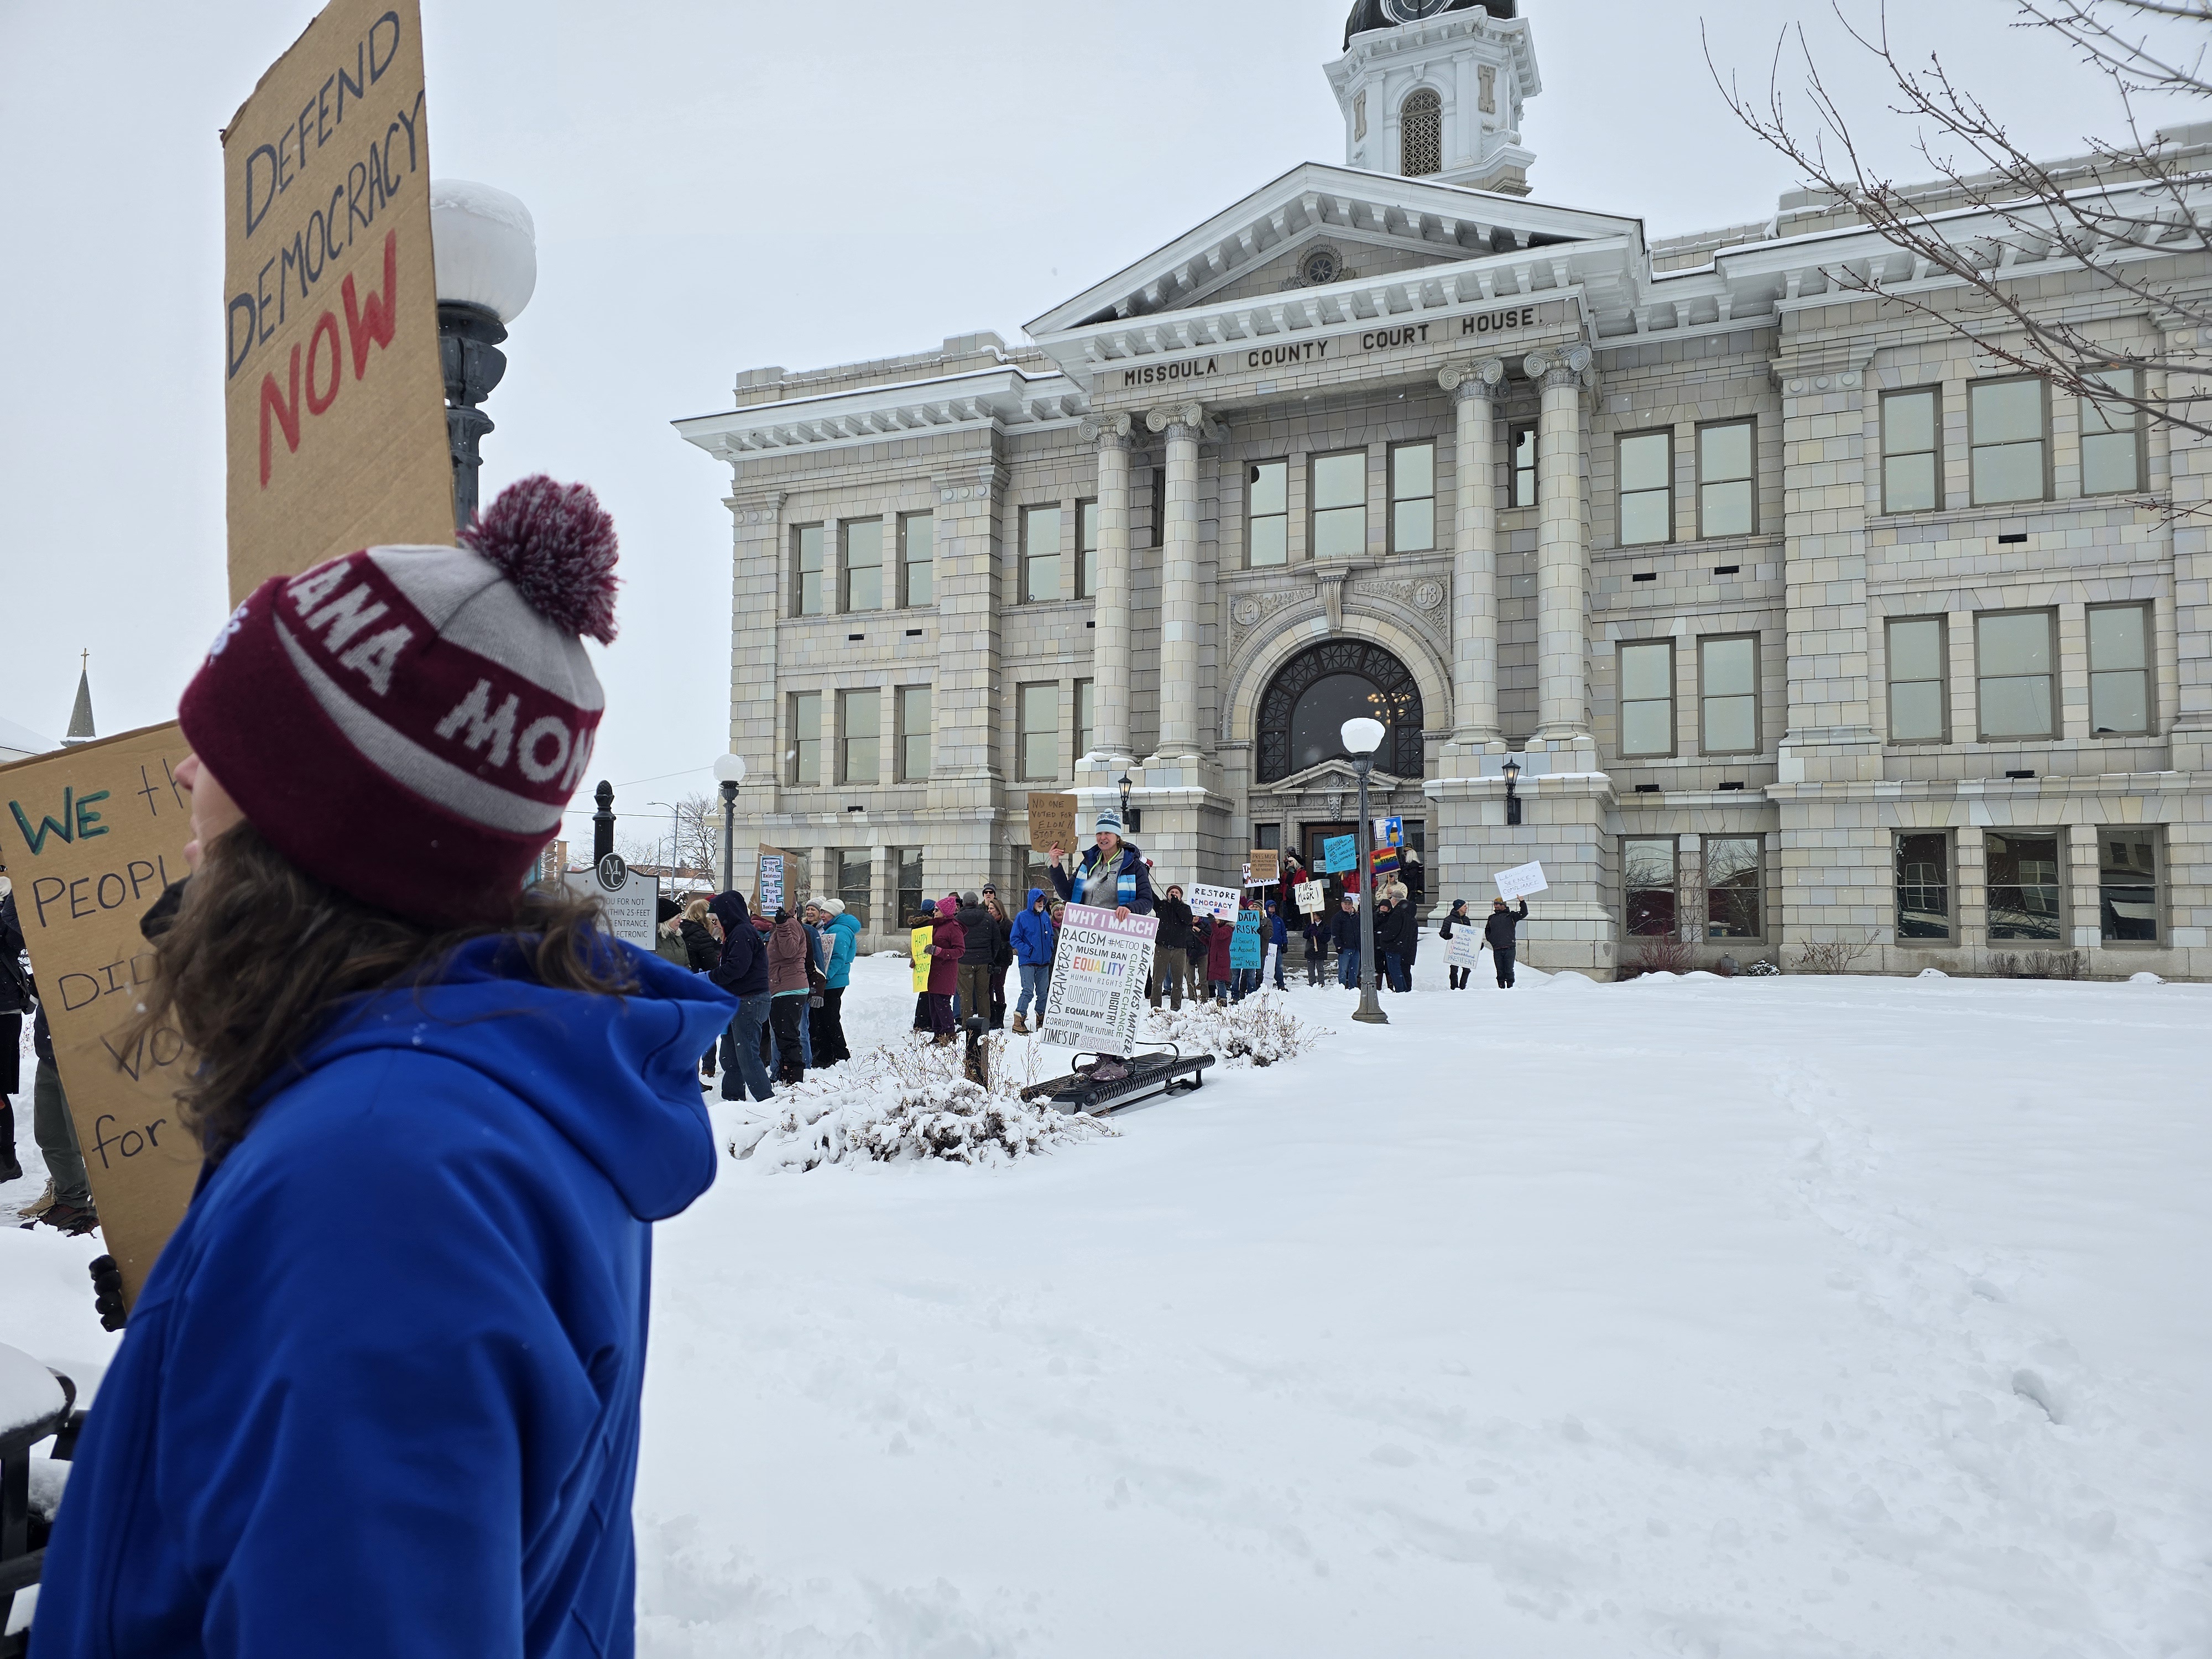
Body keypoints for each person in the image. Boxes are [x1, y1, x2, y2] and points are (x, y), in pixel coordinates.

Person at [34, 477, 735, 1659]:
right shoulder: (475, 1097)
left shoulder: (372, 1179)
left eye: (224, 750)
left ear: (318, 818)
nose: (179, 777)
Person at [709, 889, 775, 1102]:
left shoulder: (742, 933)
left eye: (716, 919)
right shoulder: (736, 933)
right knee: (730, 1055)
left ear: (727, 914)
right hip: (738, 1000)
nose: (715, 924)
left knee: (746, 1054)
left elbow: (736, 968)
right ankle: (732, 1098)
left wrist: (709, 977)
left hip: (749, 1001)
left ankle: (766, 1100)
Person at [1046, 811, 1156, 920]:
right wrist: (1056, 864)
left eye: (1108, 833)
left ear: (1118, 837)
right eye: (1099, 833)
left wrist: (1130, 908)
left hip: (1117, 928)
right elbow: (1067, 894)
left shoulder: (1133, 865)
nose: (1102, 837)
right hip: (1086, 927)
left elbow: (1147, 901)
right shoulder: (1089, 862)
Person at [810, 897, 860, 1066]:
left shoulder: (839, 930)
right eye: (822, 912)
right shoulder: (834, 928)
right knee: (823, 1019)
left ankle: (840, 1053)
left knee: (828, 1019)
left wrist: (824, 977)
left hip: (833, 982)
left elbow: (837, 958)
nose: (822, 915)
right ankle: (827, 1053)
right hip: (832, 981)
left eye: (825, 912)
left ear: (834, 913)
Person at [765, 907, 812, 1084]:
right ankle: (788, 1076)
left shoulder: (790, 924)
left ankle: (794, 1080)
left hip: (788, 988)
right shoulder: (783, 925)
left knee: (788, 1037)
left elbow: (789, 951)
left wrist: (783, 925)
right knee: (785, 1037)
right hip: (784, 987)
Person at [681, 896, 724, 1079]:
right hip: (699, 987)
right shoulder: (701, 935)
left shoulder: (681, 931)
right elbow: (712, 967)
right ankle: (705, 1069)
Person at [1008, 887, 1056, 1034]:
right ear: (1032, 901)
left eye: (1042, 900)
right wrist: (1028, 950)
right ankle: (1019, 1020)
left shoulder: (1045, 917)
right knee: (1028, 991)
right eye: (1038, 900)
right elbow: (1014, 939)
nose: (1041, 903)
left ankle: (1041, 1020)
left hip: (1043, 962)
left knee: (1043, 993)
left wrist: (1049, 949)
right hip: (1028, 961)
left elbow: (1050, 936)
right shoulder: (1022, 917)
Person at [954, 890, 998, 1032]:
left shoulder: (958, 919)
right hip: (983, 960)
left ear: (964, 903)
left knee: (966, 994)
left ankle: (967, 1024)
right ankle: (985, 1022)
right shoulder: (987, 918)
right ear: (977, 902)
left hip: (964, 961)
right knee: (983, 993)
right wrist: (991, 957)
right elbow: (996, 941)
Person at [924, 895, 966, 1042]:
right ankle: (938, 1034)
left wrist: (940, 952)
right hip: (933, 970)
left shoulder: (953, 927)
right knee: (933, 1005)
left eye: (937, 910)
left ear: (945, 912)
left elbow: (960, 950)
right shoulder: (936, 926)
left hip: (945, 971)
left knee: (942, 1003)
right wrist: (917, 959)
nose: (934, 912)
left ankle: (948, 1034)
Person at [1150, 883, 1195, 1011]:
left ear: (1181, 896)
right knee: (1157, 980)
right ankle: (1156, 1008)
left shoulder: (1185, 909)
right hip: (1162, 948)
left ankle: (1176, 1008)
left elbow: (1187, 919)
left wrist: (1176, 904)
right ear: (1167, 895)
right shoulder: (1161, 906)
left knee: (1178, 981)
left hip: (1179, 950)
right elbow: (1151, 894)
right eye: (1171, 893)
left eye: (1176, 893)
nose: (1174, 894)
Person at [983, 887, 1015, 1030]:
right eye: (989, 908)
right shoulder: (987, 923)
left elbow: (1012, 942)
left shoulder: (1007, 924)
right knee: (988, 987)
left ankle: (999, 1018)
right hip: (989, 960)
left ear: (999, 910)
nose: (989, 910)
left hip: (1002, 961)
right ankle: (991, 1016)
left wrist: (1001, 946)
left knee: (998, 987)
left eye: (992, 908)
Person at [1486, 896, 1531, 989]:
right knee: (1500, 970)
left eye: (1497, 904)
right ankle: (1501, 987)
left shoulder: (1511, 916)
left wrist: (1522, 901)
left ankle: (1510, 987)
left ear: (1503, 905)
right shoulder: (1492, 918)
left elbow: (1524, 913)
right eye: (1494, 904)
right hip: (1497, 948)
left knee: (1509, 970)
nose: (1495, 906)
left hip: (1509, 948)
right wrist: (1492, 939)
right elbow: (1487, 930)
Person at [1441, 900, 1475, 990]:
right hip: (1455, 948)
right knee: (1454, 969)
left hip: (1465, 948)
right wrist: (1448, 936)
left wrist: (1478, 944)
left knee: (1467, 969)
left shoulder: (1466, 919)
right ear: (1459, 908)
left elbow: (1471, 935)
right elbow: (1443, 932)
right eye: (1464, 906)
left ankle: (1463, 987)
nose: (1466, 908)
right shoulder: (1449, 920)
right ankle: (1454, 987)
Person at [1206, 905, 1235, 1004]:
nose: (1216, 919)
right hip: (1217, 958)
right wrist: (1199, 934)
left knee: (1220, 980)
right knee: (1218, 980)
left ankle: (1223, 999)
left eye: (1217, 917)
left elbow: (1220, 935)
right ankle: (1220, 999)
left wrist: (1213, 923)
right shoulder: (1219, 928)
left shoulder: (1227, 929)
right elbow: (1211, 942)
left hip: (1221, 959)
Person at [1334, 893, 1363, 989]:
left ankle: (1353, 988)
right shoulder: (1338, 918)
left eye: (1349, 904)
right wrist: (1339, 946)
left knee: (1354, 971)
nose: (1347, 906)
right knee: (1343, 971)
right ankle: (1341, 988)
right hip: (1345, 949)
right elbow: (1335, 934)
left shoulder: (1356, 917)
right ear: (1342, 905)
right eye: (1345, 904)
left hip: (1355, 948)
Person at [1302, 903, 1329, 985]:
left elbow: (1326, 938)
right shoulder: (1310, 924)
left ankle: (1321, 982)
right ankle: (1312, 983)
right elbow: (1305, 936)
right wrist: (1309, 930)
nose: (1314, 916)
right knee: (1310, 968)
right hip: (1310, 949)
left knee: (1320, 968)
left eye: (1315, 914)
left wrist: (1317, 934)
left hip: (1321, 950)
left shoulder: (1325, 926)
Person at [1266, 899, 1289, 991]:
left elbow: (1284, 933)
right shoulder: (1263, 920)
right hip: (1265, 947)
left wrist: (1285, 944)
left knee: (1279, 967)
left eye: (1274, 906)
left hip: (1277, 947)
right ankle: (1263, 984)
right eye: (1271, 906)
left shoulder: (1279, 920)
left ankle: (1281, 985)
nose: (1273, 908)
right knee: (1264, 967)